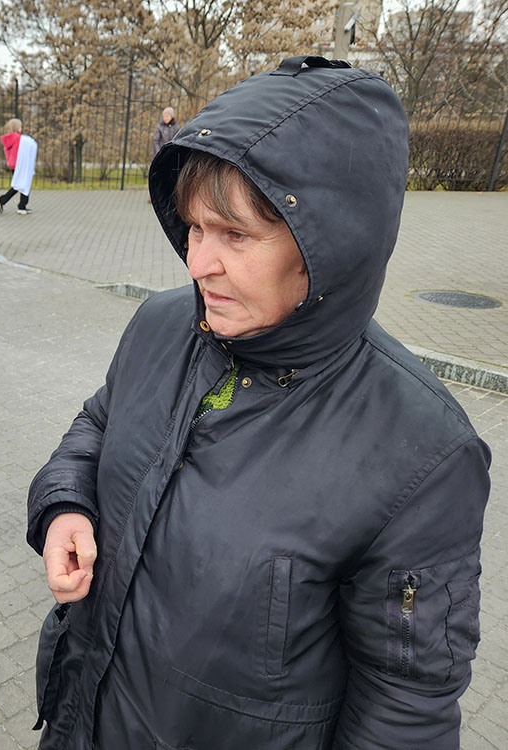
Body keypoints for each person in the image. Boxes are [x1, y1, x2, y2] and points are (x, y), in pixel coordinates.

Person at [28, 56, 490, 749]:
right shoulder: (162, 324)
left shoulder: (421, 452)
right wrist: (67, 503)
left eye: (235, 235)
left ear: (332, 244)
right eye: (194, 227)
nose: (197, 263)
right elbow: (99, 422)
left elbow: (404, 712)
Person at [0, 118, 34, 215]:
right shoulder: (18, 138)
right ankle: (3, 200)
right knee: (21, 185)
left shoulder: (9, 139)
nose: (21, 128)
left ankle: (21, 205)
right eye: (20, 126)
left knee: (21, 185)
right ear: (17, 128)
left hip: (14, 164)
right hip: (20, 164)